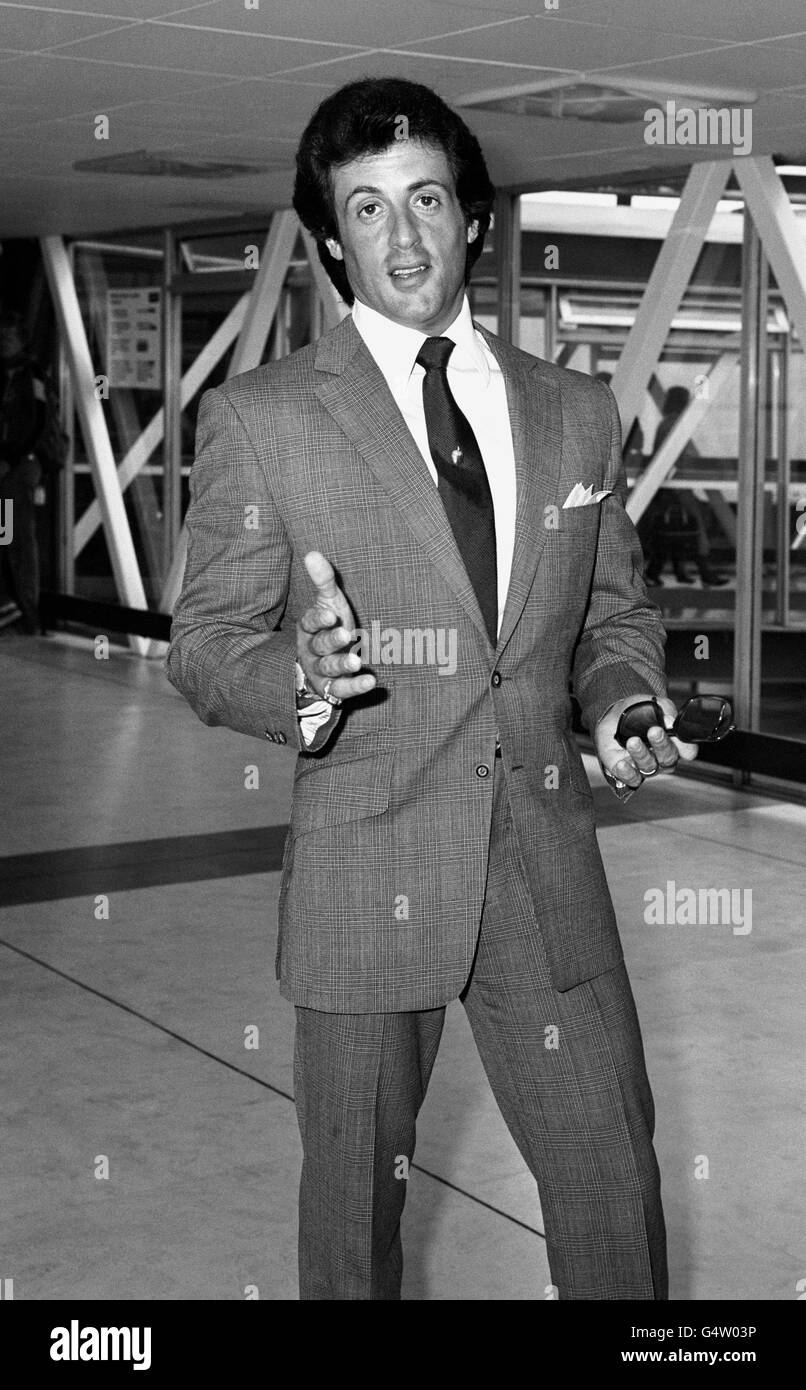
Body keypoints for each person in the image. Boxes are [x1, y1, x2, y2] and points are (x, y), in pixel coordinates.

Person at [166, 77, 699, 1301]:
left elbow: (609, 615)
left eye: (424, 200)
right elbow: (203, 640)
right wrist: (299, 678)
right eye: (365, 209)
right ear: (328, 240)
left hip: (543, 876)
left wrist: (621, 697)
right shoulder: (265, 420)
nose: (401, 239)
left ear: (474, 218)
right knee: (353, 1227)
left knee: (614, 1198)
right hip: (365, 881)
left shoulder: (572, 413)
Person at [641, 386, 728, 587]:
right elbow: (678, 456)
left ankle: (664, 571)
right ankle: (703, 572)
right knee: (695, 527)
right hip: (677, 488)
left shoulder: (665, 424)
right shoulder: (675, 425)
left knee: (671, 531)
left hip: (669, 487)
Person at [0, 311, 46, 633]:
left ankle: (27, 610)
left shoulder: (32, 376)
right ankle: (11, 605)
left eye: (9, 336)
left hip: (18, 468)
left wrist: (10, 458)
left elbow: (37, 421)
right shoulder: (6, 375)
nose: (4, 341)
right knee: (6, 535)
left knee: (15, 537)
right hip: (8, 466)